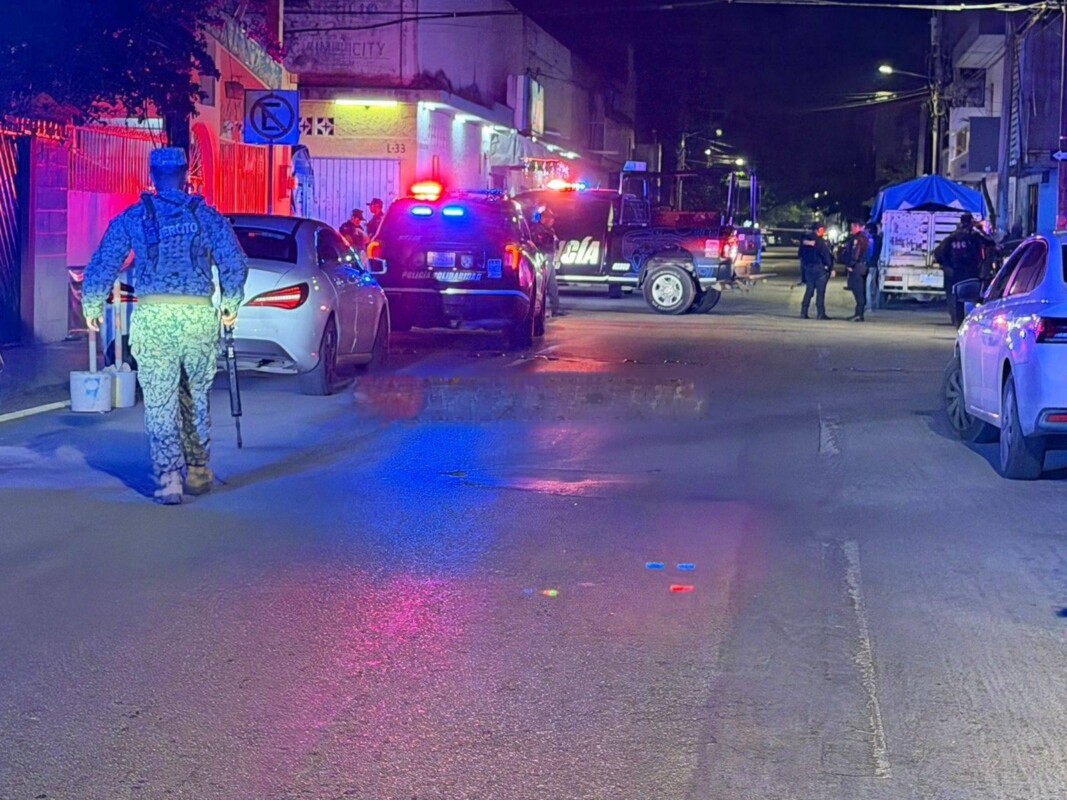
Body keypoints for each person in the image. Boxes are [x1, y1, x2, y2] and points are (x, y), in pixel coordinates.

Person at [82, 147, 248, 505]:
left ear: (153, 175)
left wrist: (92, 302)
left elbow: (106, 259)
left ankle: (169, 478)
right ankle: (199, 467)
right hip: (198, 317)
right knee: (194, 395)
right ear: (186, 174)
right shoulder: (207, 217)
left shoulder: (136, 217)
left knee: (160, 400)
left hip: (154, 317)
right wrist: (231, 305)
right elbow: (234, 264)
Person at [932, 212, 992, 325]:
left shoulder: (952, 238)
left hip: (955, 274)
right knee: (971, 298)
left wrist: (946, 266)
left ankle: (958, 321)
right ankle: (967, 321)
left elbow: (937, 254)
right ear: (970, 222)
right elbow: (990, 243)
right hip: (970, 273)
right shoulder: (974, 236)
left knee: (956, 299)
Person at [799, 222, 834, 320]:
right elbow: (825, 255)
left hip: (808, 268)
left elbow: (800, 254)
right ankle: (820, 313)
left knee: (809, 290)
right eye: (823, 229)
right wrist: (830, 267)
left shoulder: (805, 240)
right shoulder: (820, 242)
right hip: (819, 269)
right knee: (820, 291)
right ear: (819, 230)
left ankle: (804, 311)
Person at [530, 206, 561, 316]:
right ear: (543, 218)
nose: (552, 220)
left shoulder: (550, 230)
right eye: (550, 218)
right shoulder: (538, 229)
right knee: (543, 285)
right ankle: (540, 311)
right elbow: (539, 244)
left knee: (553, 285)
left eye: (552, 218)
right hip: (543, 258)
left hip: (550, 258)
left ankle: (556, 308)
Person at [842, 221, 871, 322]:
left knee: (858, 290)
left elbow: (856, 252)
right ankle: (858, 313)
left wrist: (851, 265)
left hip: (857, 267)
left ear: (858, 227)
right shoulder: (864, 237)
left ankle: (859, 314)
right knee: (859, 290)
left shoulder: (858, 239)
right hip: (862, 267)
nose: (851, 229)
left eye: (852, 227)